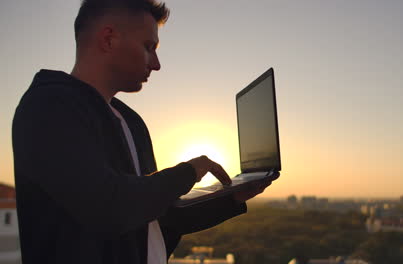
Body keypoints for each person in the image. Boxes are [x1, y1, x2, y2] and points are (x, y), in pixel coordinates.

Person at [11, 0, 272, 263]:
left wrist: (233, 197)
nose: (156, 64)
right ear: (109, 39)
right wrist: (189, 171)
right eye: (149, 47)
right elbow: (108, 207)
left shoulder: (130, 121)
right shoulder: (48, 107)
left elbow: (159, 218)